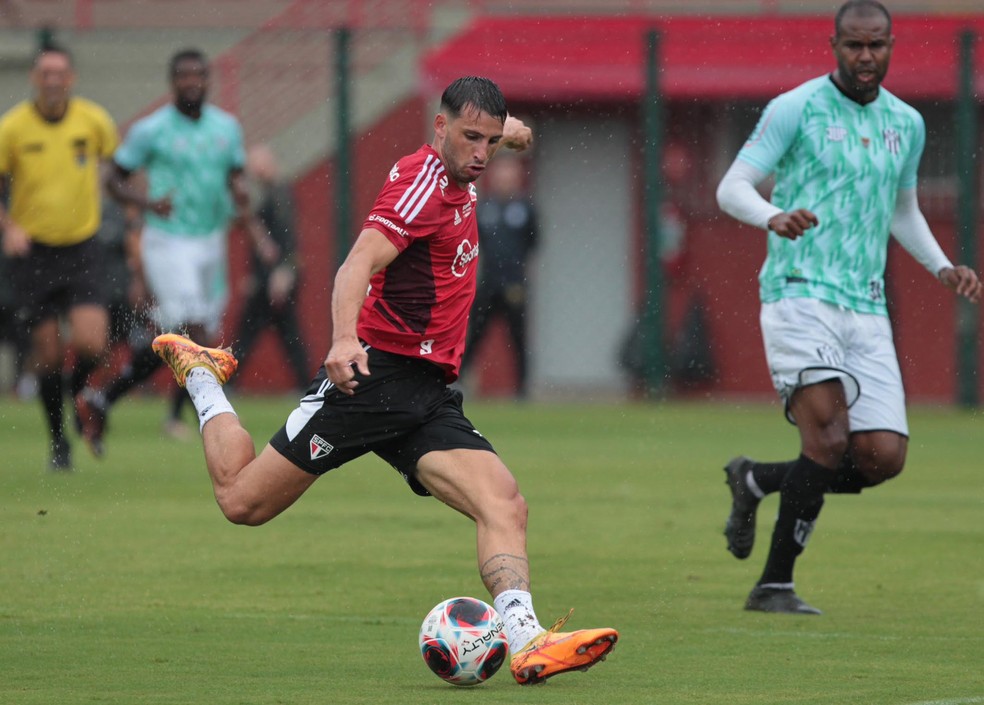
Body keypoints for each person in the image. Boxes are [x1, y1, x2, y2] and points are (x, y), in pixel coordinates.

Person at [151, 77, 618, 685]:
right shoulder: (420, 185)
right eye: (470, 137)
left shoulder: (470, 162)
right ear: (439, 128)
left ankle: (528, 640)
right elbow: (356, 264)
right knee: (242, 501)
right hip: (372, 379)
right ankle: (204, 378)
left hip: (426, 393)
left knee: (504, 502)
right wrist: (344, 340)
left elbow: (500, 136)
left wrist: (514, 136)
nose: (482, 151)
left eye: (490, 141)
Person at [715, 0, 981, 615]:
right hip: (799, 291)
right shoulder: (796, 108)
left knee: (882, 455)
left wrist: (942, 266)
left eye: (878, 45)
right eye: (855, 45)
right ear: (834, 44)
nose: (867, 56)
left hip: (866, 306)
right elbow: (730, 186)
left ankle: (756, 478)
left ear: (892, 46)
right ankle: (774, 585)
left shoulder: (906, 124)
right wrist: (772, 215)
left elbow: (903, 210)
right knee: (829, 438)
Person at [76, 48, 272, 448]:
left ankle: (103, 397)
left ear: (207, 80)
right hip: (167, 239)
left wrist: (251, 222)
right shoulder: (153, 130)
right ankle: (215, 418)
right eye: (183, 76)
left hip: (209, 240)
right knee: (195, 329)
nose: (191, 82)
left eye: (198, 75)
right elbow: (113, 179)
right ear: (172, 82)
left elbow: (236, 180)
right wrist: (148, 204)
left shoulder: (226, 128)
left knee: (180, 335)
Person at [0, 45, 119, 470]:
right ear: (35, 77)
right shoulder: (12, 127)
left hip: (82, 246)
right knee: (47, 354)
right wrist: (10, 226)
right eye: (46, 72)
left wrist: (135, 211)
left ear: (71, 78)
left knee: (92, 342)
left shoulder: (94, 121)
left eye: (61, 73)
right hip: (34, 255)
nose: (53, 80)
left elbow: (113, 170)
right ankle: (58, 441)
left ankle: (79, 393)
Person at [231, 143, 310, 390]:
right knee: (286, 335)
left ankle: (228, 384)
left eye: (256, 163)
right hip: (269, 276)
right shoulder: (271, 193)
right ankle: (307, 386)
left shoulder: (279, 193)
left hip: (275, 277)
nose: (253, 169)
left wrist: (284, 271)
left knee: (249, 335)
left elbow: (287, 240)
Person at [459, 153, 537, 398]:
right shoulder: (484, 208)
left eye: (510, 171)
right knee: (475, 334)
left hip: (515, 284)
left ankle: (522, 390)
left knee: (518, 337)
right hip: (488, 282)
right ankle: (458, 381)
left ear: (518, 176)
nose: (505, 177)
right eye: (501, 171)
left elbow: (534, 242)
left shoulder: (526, 208)